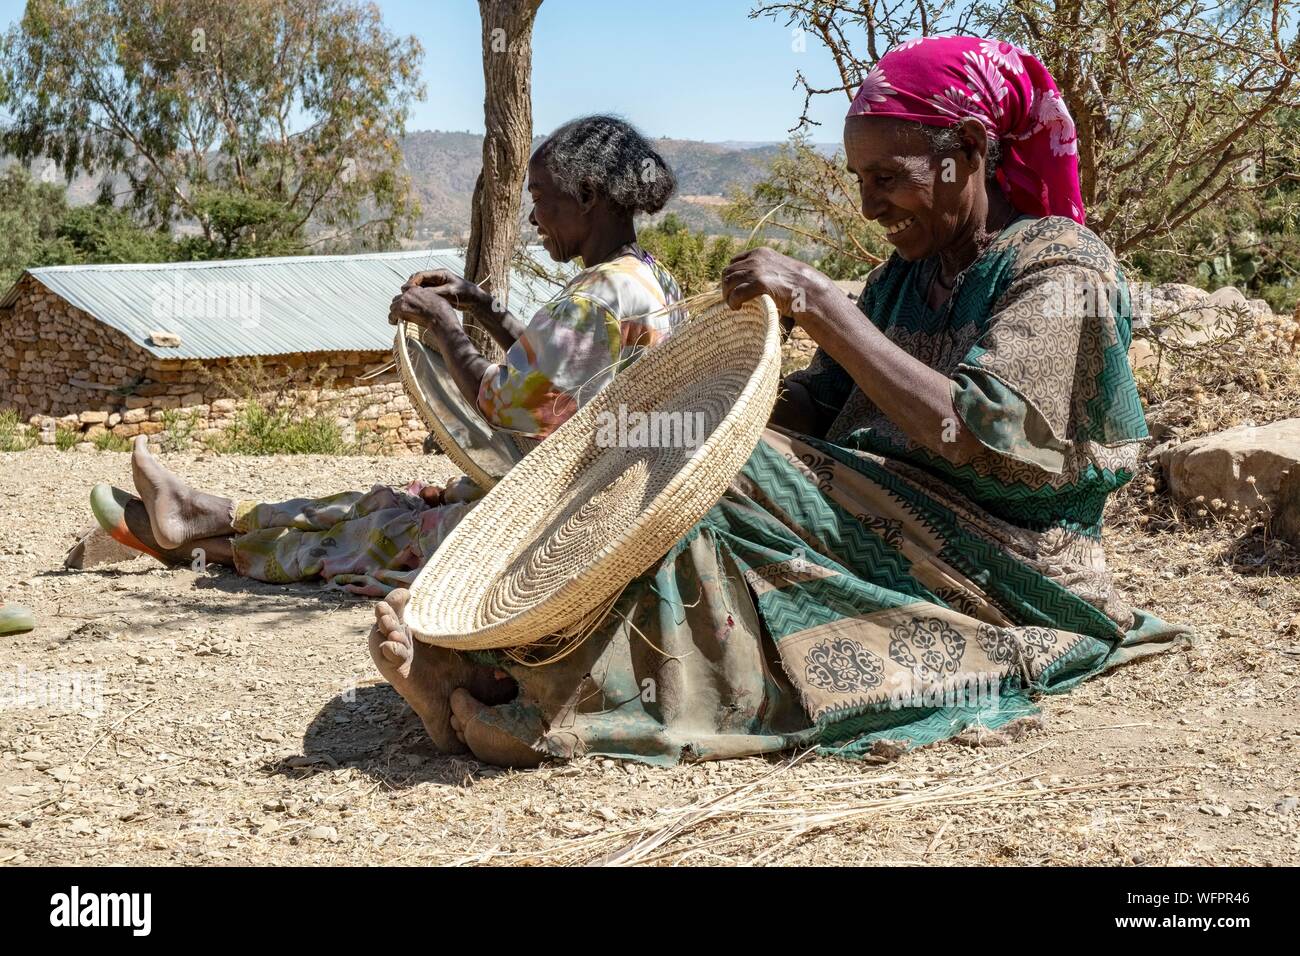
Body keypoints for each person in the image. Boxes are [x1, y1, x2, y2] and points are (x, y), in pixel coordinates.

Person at [369, 36, 1189, 767]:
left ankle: (570, 703)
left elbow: (975, 430)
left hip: (1011, 556)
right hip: (893, 513)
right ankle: (509, 665)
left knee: (726, 481)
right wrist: (692, 409)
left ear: (969, 149)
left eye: (888, 179)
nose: (870, 206)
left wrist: (822, 305)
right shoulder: (906, 278)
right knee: (689, 467)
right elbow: (822, 400)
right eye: (858, 181)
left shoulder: (1059, 265)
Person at [91, 114, 682, 602]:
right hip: (591, 485)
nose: (533, 219)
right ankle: (202, 514)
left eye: (540, 201)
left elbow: (507, 403)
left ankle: (199, 533)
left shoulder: (598, 295)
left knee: (389, 527)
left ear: (585, 196)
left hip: (571, 512)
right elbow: (557, 370)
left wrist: (444, 324)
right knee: (390, 501)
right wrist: (477, 304)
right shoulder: (648, 280)